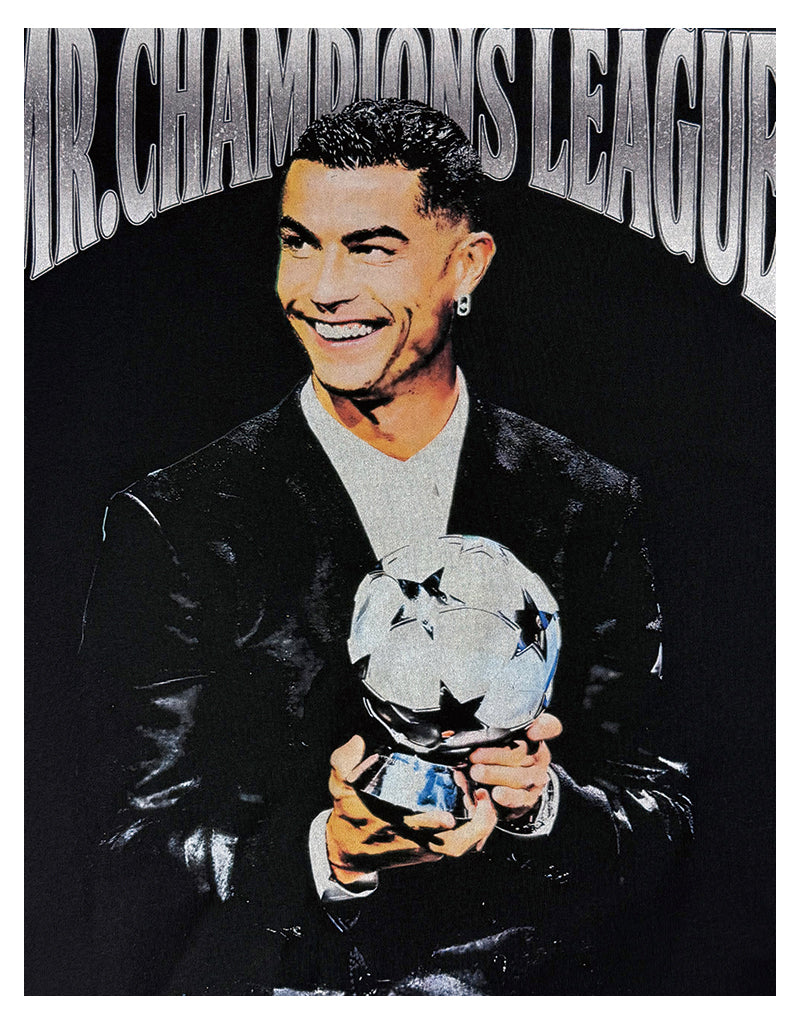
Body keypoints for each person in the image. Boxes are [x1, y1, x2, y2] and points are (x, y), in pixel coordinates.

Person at [79, 98, 692, 995]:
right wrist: (325, 853)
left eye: (370, 249)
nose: (322, 289)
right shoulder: (178, 521)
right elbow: (121, 843)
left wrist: (541, 807)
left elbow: (666, 813)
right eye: (300, 243)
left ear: (466, 265)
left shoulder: (585, 503)